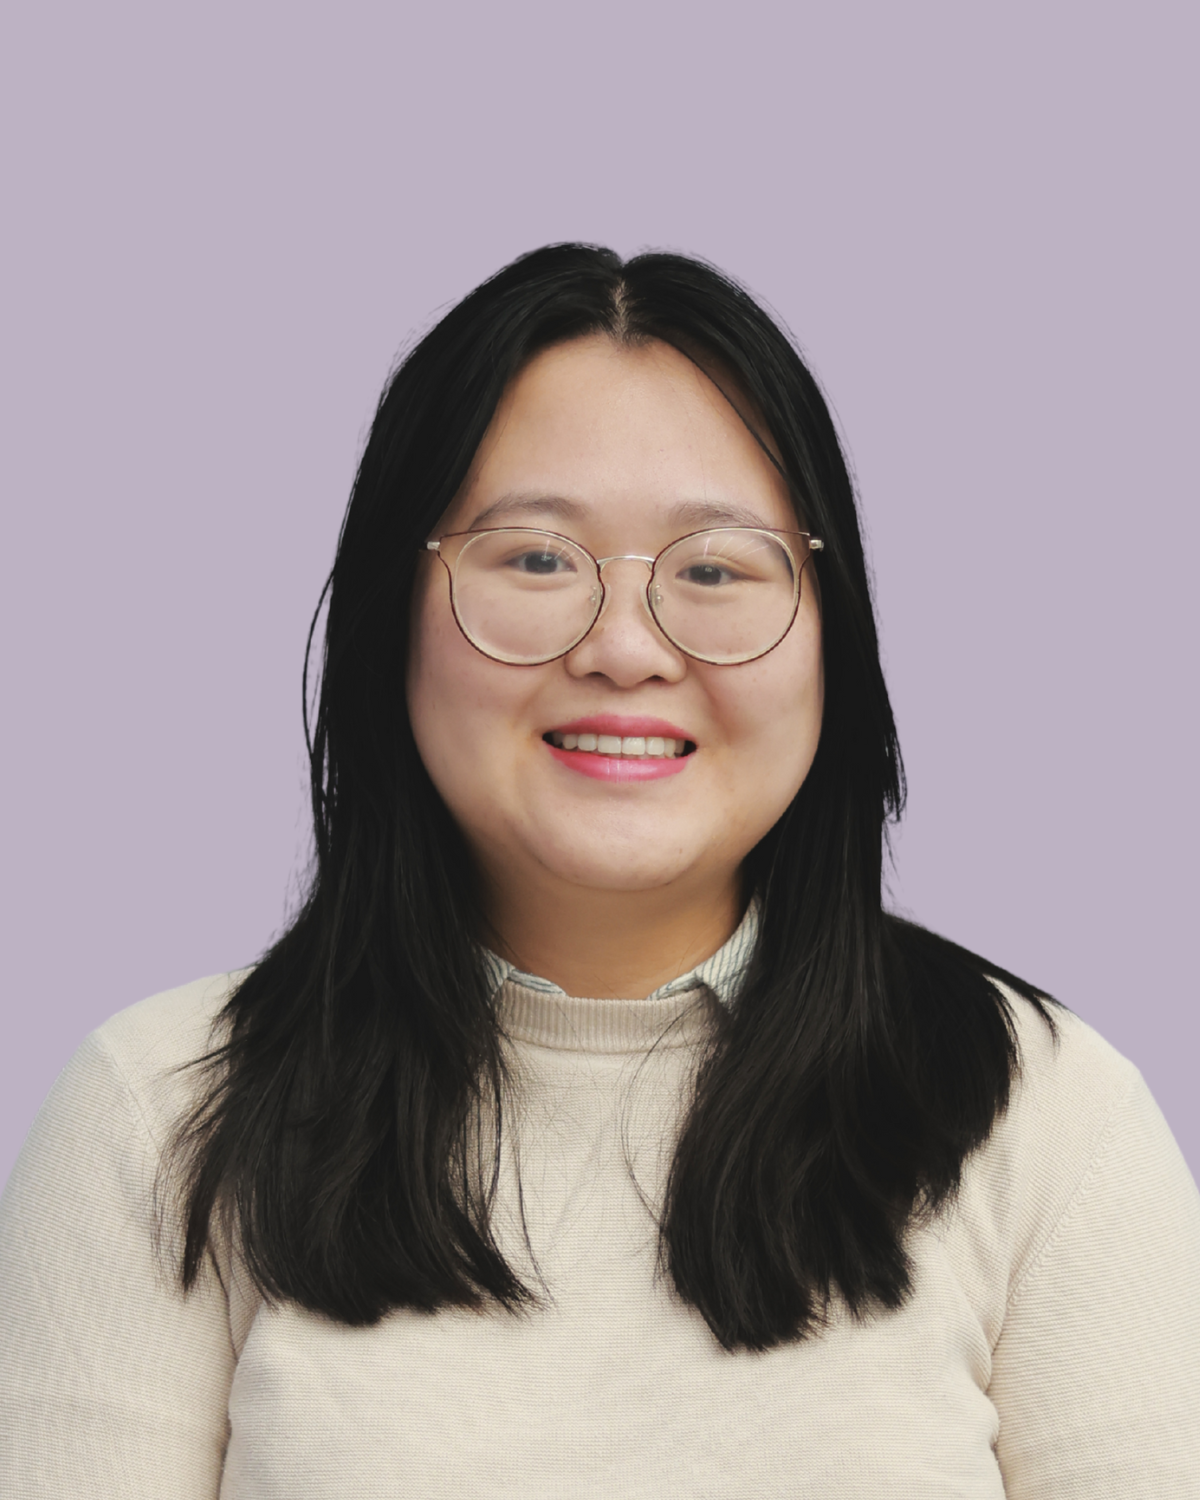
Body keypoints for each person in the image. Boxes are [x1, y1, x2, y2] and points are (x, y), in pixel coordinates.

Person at [1, 245, 1198, 1499]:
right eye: (535, 559)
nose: (626, 647)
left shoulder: (1044, 1116)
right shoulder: (157, 1119)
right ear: (386, 614)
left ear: (833, 640)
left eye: (716, 571)